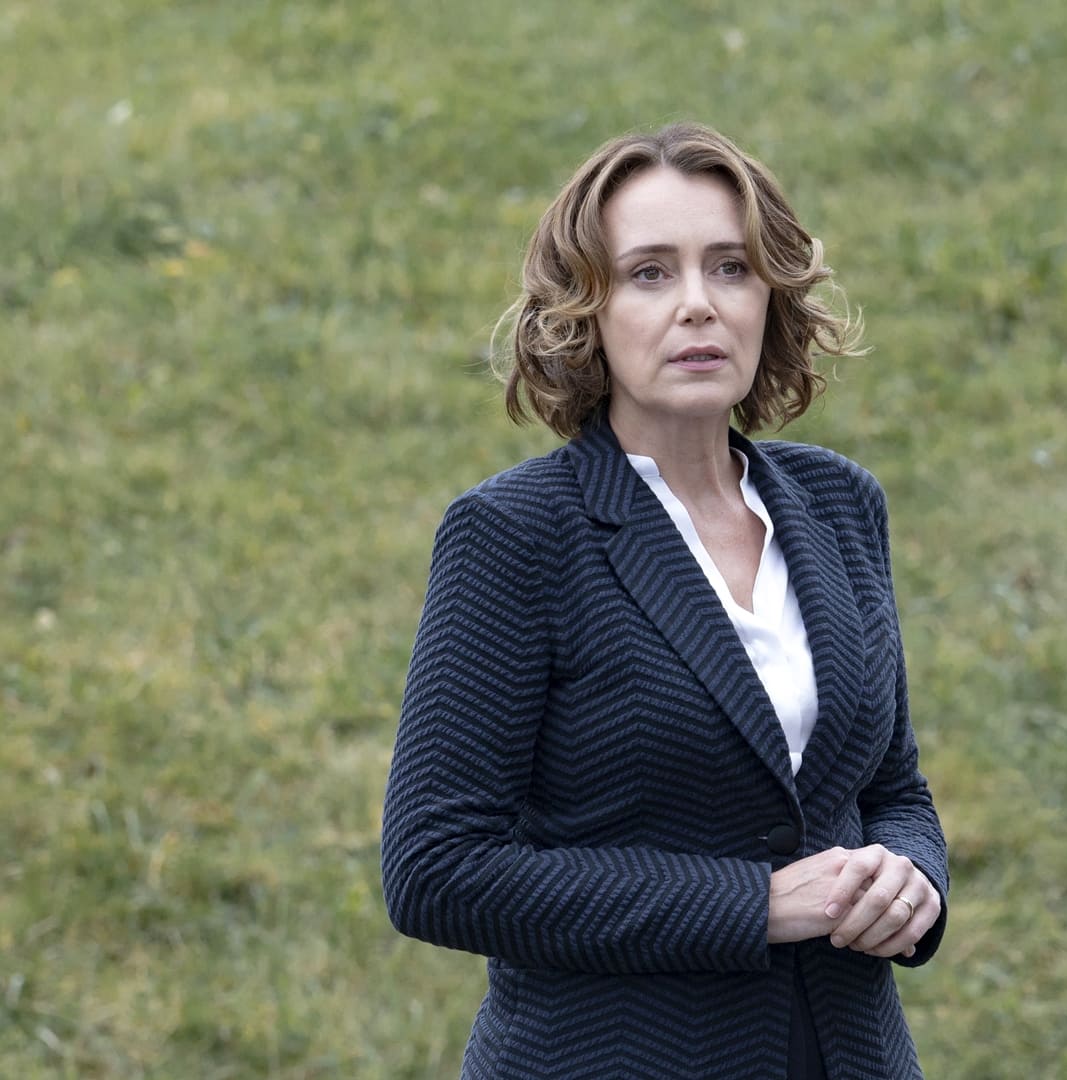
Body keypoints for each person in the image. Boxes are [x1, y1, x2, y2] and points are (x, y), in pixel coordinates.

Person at [380, 123, 948, 1079]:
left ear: (771, 295)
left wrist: (910, 875)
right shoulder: (516, 535)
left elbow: (891, 789)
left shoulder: (840, 503)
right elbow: (437, 868)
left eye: (731, 267)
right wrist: (754, 905)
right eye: (649, 273)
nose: (698, 304)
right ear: (585, 311)